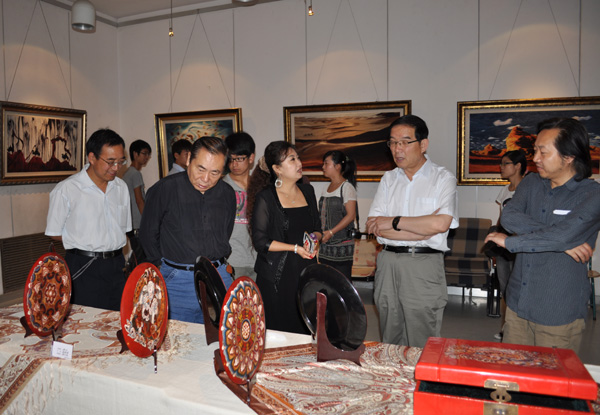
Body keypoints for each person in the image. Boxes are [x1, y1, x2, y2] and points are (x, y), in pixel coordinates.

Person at [485, 117, 600, 352]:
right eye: (535, 150)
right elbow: (509, 216)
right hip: (518, 304)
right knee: (513, 371)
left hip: (557, 310)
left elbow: (561, 235)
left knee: (552, 375)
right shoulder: (531, 184)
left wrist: (512, 242)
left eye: (543, 152)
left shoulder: (592, 195)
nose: (535, 158)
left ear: (569, 156)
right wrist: (562, 241)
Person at [366, 115, 458, 348]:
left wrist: (394, 222)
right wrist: (421, 230)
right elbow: (374, 226)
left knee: (422, 337)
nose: (397, 149)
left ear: (423, 144)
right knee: (390, 336)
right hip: (387, 263)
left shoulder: (442, 178)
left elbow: (440, 225)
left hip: (423, 264)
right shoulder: (388, 179)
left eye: (405, 142)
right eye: (393, 142)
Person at [140, 137, 236, 324]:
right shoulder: (164, 189)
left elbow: (226, 231)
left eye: (215, 172)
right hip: (177, 280)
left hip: (219, 275)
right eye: (201, 169)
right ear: (189, 158)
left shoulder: (226, 193)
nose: (206, 179)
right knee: (180, 336)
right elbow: (147, 233)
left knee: (224, 334)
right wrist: (161, 267)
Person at [45, 128, 131, 311]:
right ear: (92, 157)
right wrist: (85, 239)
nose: (116, 168)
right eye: (110, 162)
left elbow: (123, 228)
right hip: (84, 265)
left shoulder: (121, 187)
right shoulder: (67, 189)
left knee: (117, 318)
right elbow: (54, 232)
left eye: (120, 161)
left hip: (116, 264)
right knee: (85, 320)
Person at [251, 141, 322, 334]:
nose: (299, 163)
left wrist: (313, 241)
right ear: (277, 168)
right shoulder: (266, 197)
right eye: (292, 159)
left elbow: (317, 228)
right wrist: (295, 248)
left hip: (305, 268)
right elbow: (260, 241)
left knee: (306, 326)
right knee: (279, 331)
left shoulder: (308, 191)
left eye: (298, 158)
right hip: (277, 274)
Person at [487, 149, 527, 341]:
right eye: (501, 163)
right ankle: (507, 328)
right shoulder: (505, 190)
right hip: (503, 246)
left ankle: (522, 329)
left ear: (517, 166)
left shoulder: (528, 189)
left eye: (505, 163)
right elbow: (501, 217)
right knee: (505, 287)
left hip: (521, 245)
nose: (501, 167)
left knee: (520, 287)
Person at [223, 132, 258, 281]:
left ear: (251, 158)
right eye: (230, 159)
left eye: (239, 159)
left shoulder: (259, 187)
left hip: (257, 260)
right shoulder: (221, 187)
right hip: (231, 260)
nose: (234, 164)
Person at [319, 150, 358, 280]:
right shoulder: (326, 187)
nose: (323, 167)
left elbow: (350, 215)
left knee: (341, 283)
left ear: (337, 166)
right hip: (325, 247)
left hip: (342, 247)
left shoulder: (347, 187)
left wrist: (331, 232)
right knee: (325, 282)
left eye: (326, 163)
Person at [122, 139, 152, 266]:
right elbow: (139, 200)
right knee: (142, 259)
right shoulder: (135, 174)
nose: (147, 157)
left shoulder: (128, 173)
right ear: (135, 154)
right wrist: (148, 222)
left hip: (131, 224)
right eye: (144, 153)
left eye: (148, 154)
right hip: (138, 224)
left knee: (138, 256)